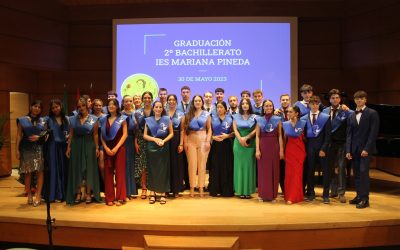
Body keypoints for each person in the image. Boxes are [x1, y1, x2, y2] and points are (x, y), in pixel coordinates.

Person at [346, 90, 379, 209]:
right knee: (357, 174)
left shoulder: (372, 113)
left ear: (365, 100)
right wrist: (348, 150)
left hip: (365, 150)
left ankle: (365, 199)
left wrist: (367, 148)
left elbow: (373, 133)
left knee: (364, 173)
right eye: (357, 98)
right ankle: (359, 196)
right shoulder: (351, 115)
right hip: (354, 149)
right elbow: (349, 134)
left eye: (361, 98)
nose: (359, 100)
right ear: (354, 100)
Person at [66, 97, 100, 205]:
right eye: (79, 106)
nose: (81, 108)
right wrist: (68, 147)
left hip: (89, 144)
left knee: (89, 169)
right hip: (76, 145)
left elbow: (95, 134)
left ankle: (89, 193)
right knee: (77, 169)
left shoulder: (94, 118)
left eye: (83, 106)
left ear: (87, 106)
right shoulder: (73, 119)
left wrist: (97, 147)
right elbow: (71, 134)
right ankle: (78, 193)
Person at [323, 89, 353, 203]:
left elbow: (350, 128)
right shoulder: (325, 111)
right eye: (332, 98)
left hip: (342, 143)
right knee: (331, 168)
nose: (335, 100)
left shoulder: (346, 111)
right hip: (330, 143)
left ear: (340, 99)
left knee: (341, 168)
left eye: (337, 98)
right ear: (329, 99)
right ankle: (333, 190)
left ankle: (341, 193)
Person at [16, 100, 47, 207]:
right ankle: (29, 194)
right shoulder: (22, 120)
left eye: (39, 107)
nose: (37, 108)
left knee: (40, 171)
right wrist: (17, 149)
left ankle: (38, 196)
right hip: (26, 148)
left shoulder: (43, 120)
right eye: (35, 106)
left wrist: (40, 137)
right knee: (28, 172)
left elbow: (46, 133)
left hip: (38, 148)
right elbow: (19, 135)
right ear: (30, 107)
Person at [181, 95, 212, 197]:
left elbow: (209, 129)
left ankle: (201, 187)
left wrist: (208, 141)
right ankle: (192, 187)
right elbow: (184, 130)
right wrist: (185, 142)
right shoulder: (188, 115)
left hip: (203, 140)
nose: (197, 102)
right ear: (193, 102)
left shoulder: (206, 115)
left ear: (202, 102)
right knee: (192, 165)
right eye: (195, 101)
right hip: (190, 140)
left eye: (199, 101)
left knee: (202, 165)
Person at [303, 96, 332, 203]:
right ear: (309, 105)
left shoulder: (325, 117)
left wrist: (323, 149)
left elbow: (328, 135)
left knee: (326, 172)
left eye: (316, 103)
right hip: (309, 148)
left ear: (319, 104)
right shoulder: (304, 117)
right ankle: (311, 193)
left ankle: (325, 195)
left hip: (322, 149)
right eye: (312, 104)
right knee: (310, 172)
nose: (314, 106)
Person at [144, 101, 174, 204]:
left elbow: (171, 133)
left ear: (162, 109)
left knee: (163, 170)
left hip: (163, 146)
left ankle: (162, 193)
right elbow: (145, 135)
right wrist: (154, 139)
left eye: (160, 107)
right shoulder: (148, 120)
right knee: (152, 170)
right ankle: (152, 192)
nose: (158, 109)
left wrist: (163, 141)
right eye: (156, 107)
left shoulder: (167, 119)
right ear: (153, 108)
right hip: (152, 147)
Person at [100, 99, 128, 206]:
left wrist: (116, 148)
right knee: (108, 173)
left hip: (119, 148)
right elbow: (102, 136)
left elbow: (125, 134)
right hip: (108, 148)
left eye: (113, 104)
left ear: (117, 107)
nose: (111, 106)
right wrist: (105, 147)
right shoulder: (103, 119)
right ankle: (110, 197)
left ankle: (121, 197)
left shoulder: (122, 119)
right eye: (109, 105)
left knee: (120, 173)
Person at [255, 99, 284, 202]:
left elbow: (280, 136)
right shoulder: (259, 119)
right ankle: (262, 194)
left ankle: (273, 195)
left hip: (274, 146)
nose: (268, 108)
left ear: (273, 107)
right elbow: (257, 136)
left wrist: (281, 151)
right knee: (263, 171)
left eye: (270, 106)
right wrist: (257, 150)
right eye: (266, 106)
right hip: (263, 146)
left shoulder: (278, 119)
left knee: (274, 170)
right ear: (263, 107)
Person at [44, 99, 70, 202]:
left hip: (64, 147)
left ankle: (63, 194)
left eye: (57, 107)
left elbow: (69, 133)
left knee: (63, 169)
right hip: (52, 147)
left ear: (61, 106)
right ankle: (54, 195)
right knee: (54, 170)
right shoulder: (48, 119)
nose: (55, 109)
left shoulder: (66, 119)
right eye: (53, 107)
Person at [232, 98, 257, 199]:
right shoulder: (235, 116)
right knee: (239, 167)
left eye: (247, 103)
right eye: (243, 103)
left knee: (249, 167)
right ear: (240, 105)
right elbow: (235, 130)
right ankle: (240, 190)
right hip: (238, 144)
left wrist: (247, 137)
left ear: (250, 105)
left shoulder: (255, 117)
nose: (245, 105)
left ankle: (248, 191)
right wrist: (241, 139)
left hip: (250, 143)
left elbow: (256, 129)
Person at [209, 101, 234, 197]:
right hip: (215, 145)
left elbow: (234, 132)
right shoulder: (212, 118)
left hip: (226, 145)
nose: (219, 109)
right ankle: (215, 189)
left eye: (221, 107)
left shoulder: (230, 118)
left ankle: (226, 190)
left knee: (226, 167)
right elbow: (208, 131)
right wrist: (212, 137)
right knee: (215, 166)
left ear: (225, 109)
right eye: (217, 107)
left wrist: (227, 136)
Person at [282, 106, 306, 204]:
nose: (288, 113)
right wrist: (282, 151)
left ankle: (296, 196)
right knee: (289, 173)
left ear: (296, 113)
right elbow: (284, 139)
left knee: (297, 173)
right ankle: (289, 196)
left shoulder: (303, 123)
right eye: (288, 112)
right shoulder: (285, 124)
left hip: (300, 151)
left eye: (291, 112)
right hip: (289, 151)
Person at [134, 91, 153, 199]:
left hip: (153, 137)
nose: (147, 99)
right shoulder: (137, 112)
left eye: (149, 97)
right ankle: (144, 187)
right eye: (145, 97)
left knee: (152, 163)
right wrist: (135, 142)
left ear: (151, 99)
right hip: (141, 138)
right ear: (142, 99)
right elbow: (136, 129)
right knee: (143, 164)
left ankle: (153, 186)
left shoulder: (156, 110)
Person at [167, 94, 185, 197]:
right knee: (167, 165)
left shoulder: (181, 114)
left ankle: (176, 189)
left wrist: (181, 143)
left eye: (173, 100)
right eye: (170, 100)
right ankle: (166, 188)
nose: (171, 101)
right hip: (166, 139)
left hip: (177, 139)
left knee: (176, 165)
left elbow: (182, 130)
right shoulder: (163, 112)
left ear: (176, 101)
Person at [121, 95, 138, 199]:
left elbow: (136, 131)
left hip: (131, 141)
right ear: (123, 103)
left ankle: (131, 191)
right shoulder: (120, 115)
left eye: (130, 101)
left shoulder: (134, 114)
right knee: (124, 166)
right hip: (123, 142)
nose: (128, 103)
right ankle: (125, 192)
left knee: (131, 166)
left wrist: (135, 142)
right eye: (126, 101)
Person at [92, 99, 106, 182]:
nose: (98, 107)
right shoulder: (89, 117)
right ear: (93, 107)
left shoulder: (106, 117)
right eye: (96, 105)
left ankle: (105, 185)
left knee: (102, 166)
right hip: (91, 142)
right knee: (93, 166)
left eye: (100, 105)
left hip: (103, 143)